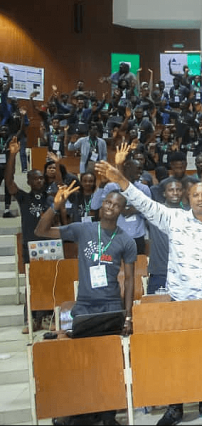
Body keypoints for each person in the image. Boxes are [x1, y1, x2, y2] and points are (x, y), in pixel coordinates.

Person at [94, 150, 202, 425]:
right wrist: (121, 180)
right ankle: (175, 407)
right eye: (196, 195)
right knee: (178, 355)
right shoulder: (174, 219)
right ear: (189, 198)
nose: (201, 199)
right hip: (181, 303)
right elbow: (144, 203)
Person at [35, 181, 136, 426]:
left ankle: (108, 415)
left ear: (122, 210)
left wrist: (128, 315)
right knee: (81, 362)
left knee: (110, 363)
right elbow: (41, 231)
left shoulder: (126, 241)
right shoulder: (83, 229)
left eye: (116, 205)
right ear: (101, 205)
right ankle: (80, 412)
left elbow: (130, 280)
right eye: (107, 202)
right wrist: (55, 206)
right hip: (85, 306)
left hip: (111, 307)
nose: (110, 206)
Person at [5, 137, 53, 333]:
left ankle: (47, 318)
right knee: (31, 284)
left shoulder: (51, 198)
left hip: (49, 246)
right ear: (29, 181)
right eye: (35, 178)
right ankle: (30, 319)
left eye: (41, 178)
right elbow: (9, 181)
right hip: (30, 247)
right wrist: (13, 155)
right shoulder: (24, 198)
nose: (39, 180)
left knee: (49, 282)